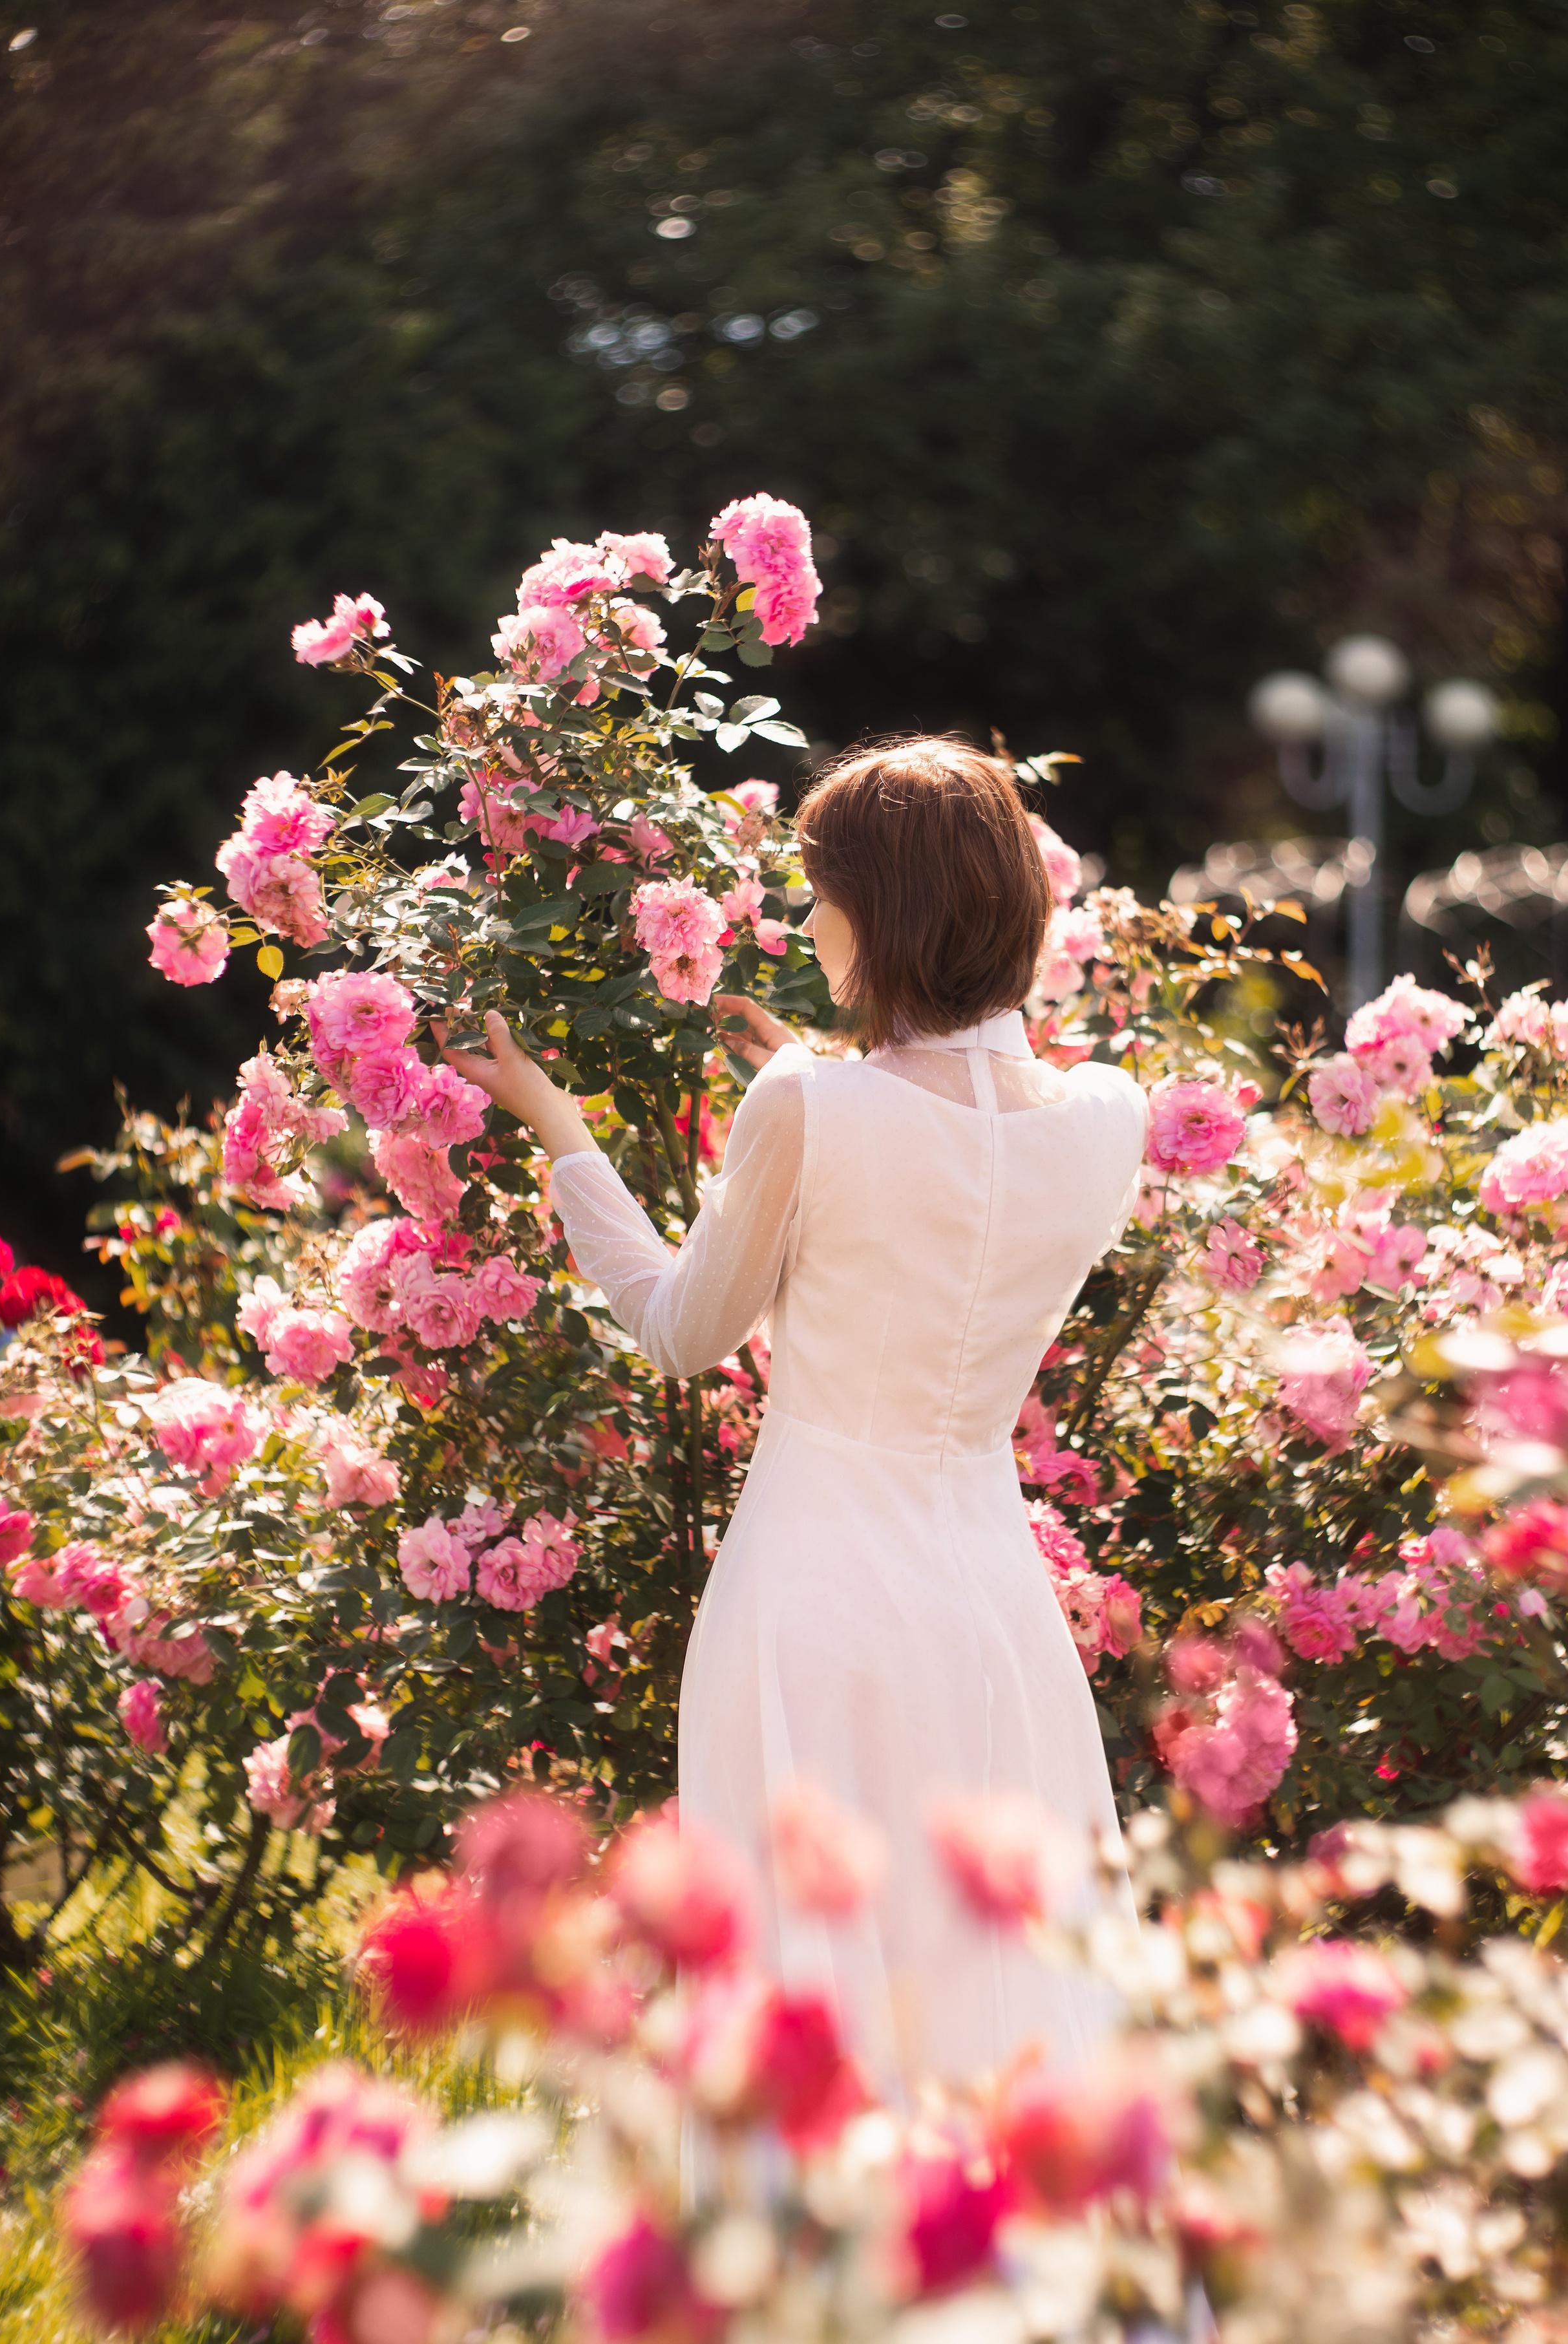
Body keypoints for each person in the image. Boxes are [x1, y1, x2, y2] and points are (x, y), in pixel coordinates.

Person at [442, 736, 1147, 2104]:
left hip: (814, 1590)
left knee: (799, 1972)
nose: (800, 916)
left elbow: (679, 1330)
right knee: (990, 1966)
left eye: (818, 890)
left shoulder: (807, 1104)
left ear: (879, 908)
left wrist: (564, 1136)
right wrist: (823, 1090)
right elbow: (942, 1198)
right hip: (989, 1597)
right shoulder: (1104, 1117)